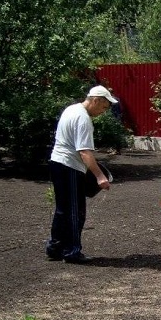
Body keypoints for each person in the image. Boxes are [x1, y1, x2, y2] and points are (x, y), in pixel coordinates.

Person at [45, 85, 117, 263]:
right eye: (104, 107)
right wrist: (100, 176)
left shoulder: (71, 109)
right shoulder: (83, 118)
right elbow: (84, 152)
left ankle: (55, 247)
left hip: (57, 162)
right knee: (76, 212)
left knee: (63, 209)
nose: (103, 111)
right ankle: (71, 251)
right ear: (96, 100)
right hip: (69, 166)